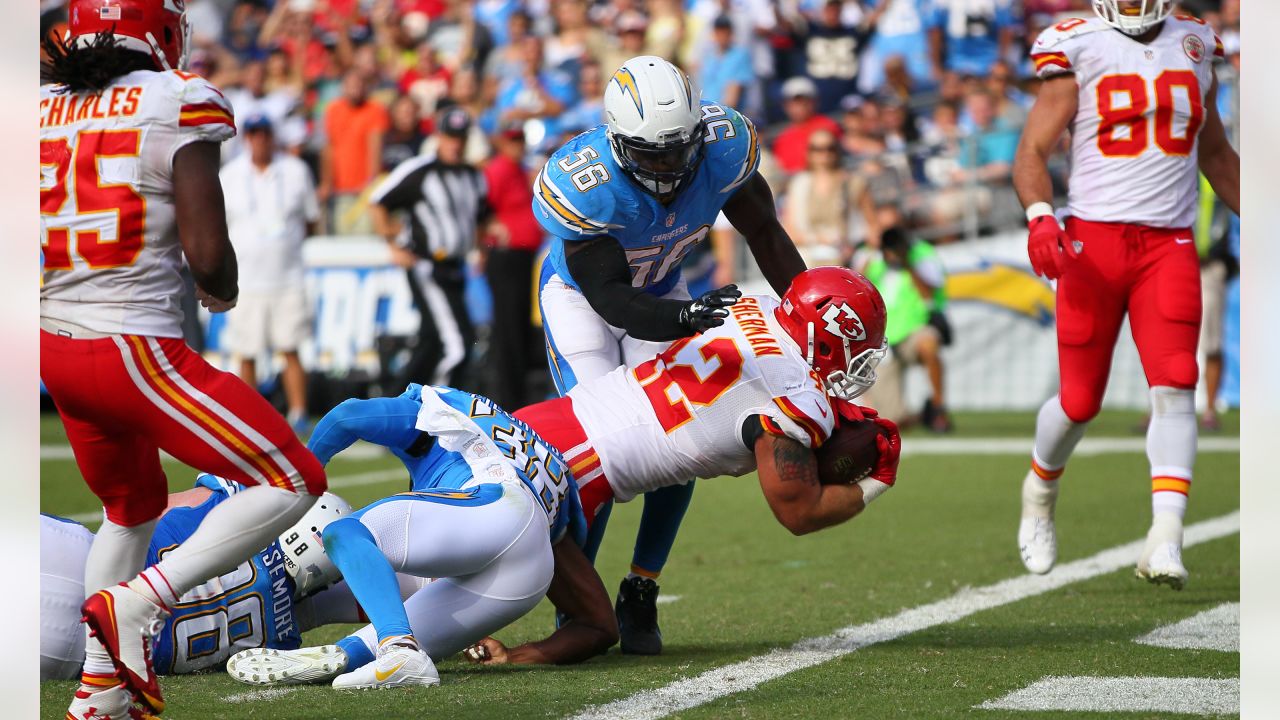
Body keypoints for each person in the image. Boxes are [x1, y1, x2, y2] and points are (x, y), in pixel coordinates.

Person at [224, 267, 904, 679]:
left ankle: (279, 589)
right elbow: (797, 509)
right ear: (836, 334)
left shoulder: (749, 308)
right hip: (547, 472)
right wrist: (875, 478)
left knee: (594, 626)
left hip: (536, 434)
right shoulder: (796, 400)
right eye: (859, 348)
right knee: (413, 559)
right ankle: (352, 632)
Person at [39, 2, 328, 717]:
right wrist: (219, 288)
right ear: (161, 32)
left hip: (52, 343)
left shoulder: (37, 105)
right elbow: (207, 253)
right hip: (130, 344)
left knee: (130, 508)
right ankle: (137, 606)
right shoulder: (179, 98)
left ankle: (102, 688)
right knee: (293, 476)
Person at [532, 56, 807, 655]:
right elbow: (609, 297)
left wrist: (807, 311)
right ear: (617, 140)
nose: (669, 165)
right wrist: (683, 318)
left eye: (678, 149)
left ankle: (641, 587)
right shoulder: (586, 182)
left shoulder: (722, 147)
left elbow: (765, 233)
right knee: (593, 452)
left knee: (684, 434)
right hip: (585, 303)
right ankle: (580, 607)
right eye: (651, 153)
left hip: (663, 290)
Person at [1012, 3, 1239, 589]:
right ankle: (1040, 489)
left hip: (1168, 244)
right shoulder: (1077, 43)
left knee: (1176, 383)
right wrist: (1040, 217)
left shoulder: (1195, 42)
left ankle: (1166, 535)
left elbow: (1215, 154)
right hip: (1095, 241)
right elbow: (1033, 149)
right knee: (1080, 401)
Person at [224, 383, 618, 688]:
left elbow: (347, 417)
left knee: (345, 532)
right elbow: (574, 548)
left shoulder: (432, 415)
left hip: (496, 509)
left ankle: (394, 645)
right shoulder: (525, 447)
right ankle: (350, 647)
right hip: (530, 571)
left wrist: (302, 483)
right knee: (390, 621)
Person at [41, 481, 355, 681]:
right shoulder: (281, 638)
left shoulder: (236, 503)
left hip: (83, 566)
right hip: (78, 654)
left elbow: (147, 508)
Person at [370, 107, 490, 390]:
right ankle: (443, 414)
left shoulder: (473, 175)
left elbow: (482, 216)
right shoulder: (420, 171)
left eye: (460, 137)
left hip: (457, 267)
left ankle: (398, 402)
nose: (455, 144)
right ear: (438, 136)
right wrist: (392, 243)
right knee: (457, 344)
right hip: (427, 266)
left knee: (432, 340)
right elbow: (377, 202)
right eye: (450, 136)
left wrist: (482, 248)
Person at [219, 114, 320, 431]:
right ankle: (251, 419)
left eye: (264, 133)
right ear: (246, 138)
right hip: (246, 279)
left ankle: (298, 413)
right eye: (254, 134)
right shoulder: (230, 175)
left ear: (272, 136)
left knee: (290, 347)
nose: (260, 140)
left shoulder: (295, 170)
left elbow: (311, 219)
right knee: (247, 351)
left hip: (288, 277)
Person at [855, 225, 951, 431]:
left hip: (913, 331)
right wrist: (871, 257)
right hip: (881, 340)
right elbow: (856, 288)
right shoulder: (875, 262)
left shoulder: (921, 256)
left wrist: (908, 263)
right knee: (892, 421)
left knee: (928, 343)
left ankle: (938, 407)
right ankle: (919, 415)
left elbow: (929, 293)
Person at [483, 124, 542, 409]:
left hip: (521, 257)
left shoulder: (519, 170)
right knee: (508, 330)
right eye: (512, 140)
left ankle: (516, 397)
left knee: (518, 328)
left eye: (520, 140)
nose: (517, 145)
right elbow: (480, 207)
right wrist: (490, 228)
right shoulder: (499, 169)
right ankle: (508, 399)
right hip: (506, 257)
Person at [321, 69, 389, 235]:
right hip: (340, 190)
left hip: (364, 191)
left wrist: (371, 184)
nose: (355, 88)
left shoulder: (375, 110)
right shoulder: (333, 110)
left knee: (364, 237)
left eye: (359, 84)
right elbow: (329, 148)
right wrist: (326, 183)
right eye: (350, 84)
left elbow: (376, 148)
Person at [772, 76, 844, 174]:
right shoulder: (782, 138)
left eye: (804, 101)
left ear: (815, 102)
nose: (800, 106)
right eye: (795, 102)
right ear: (785, 105)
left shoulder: (828, 126)